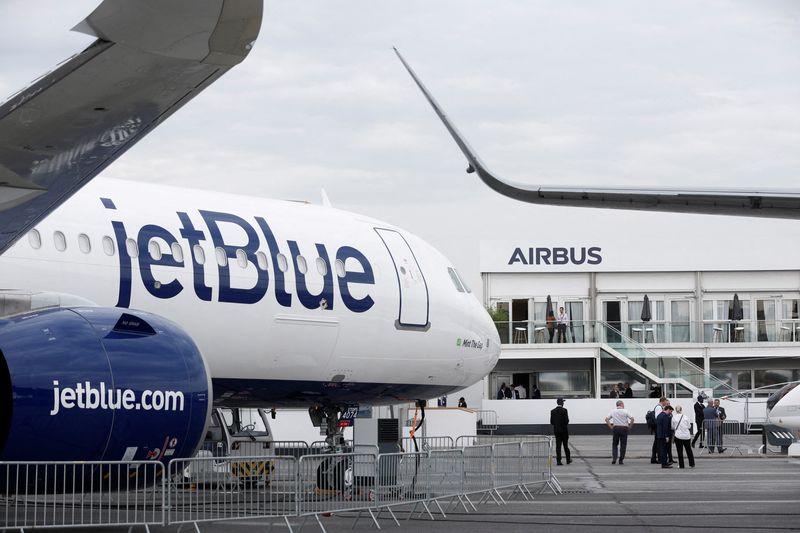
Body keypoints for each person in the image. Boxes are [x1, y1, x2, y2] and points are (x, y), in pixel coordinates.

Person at [605, 400, 634, 465]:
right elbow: (632, 419)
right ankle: (621, 459)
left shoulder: (613, 411)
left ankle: (614, 458)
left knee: (615, 444)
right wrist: (630, 426)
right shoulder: (625, 411)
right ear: (621, 404)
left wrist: (611, 426)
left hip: (616, 428)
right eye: (623, 404)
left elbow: (606, 419)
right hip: (624, 428)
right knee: (623, 444)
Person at [650, 397, 673, 464]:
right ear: (663, 401)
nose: (666, 403)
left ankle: (655, 458)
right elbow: (658, 418)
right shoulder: (659, 407)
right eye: (666, 401)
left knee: (657, 444)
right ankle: (659, 458)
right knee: (659, 444)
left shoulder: (660, 407)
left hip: (659, 429)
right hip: (659, 429)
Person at [550, 398, 571, 465]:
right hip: (564, 431)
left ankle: (558, 461)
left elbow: (552, 422)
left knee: (558, 446)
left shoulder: (552, 411)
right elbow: (567, 421)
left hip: (557, 431)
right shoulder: (564, 410)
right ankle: (568, 460)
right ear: (562, 403)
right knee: (565, 446)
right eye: (563, 402)